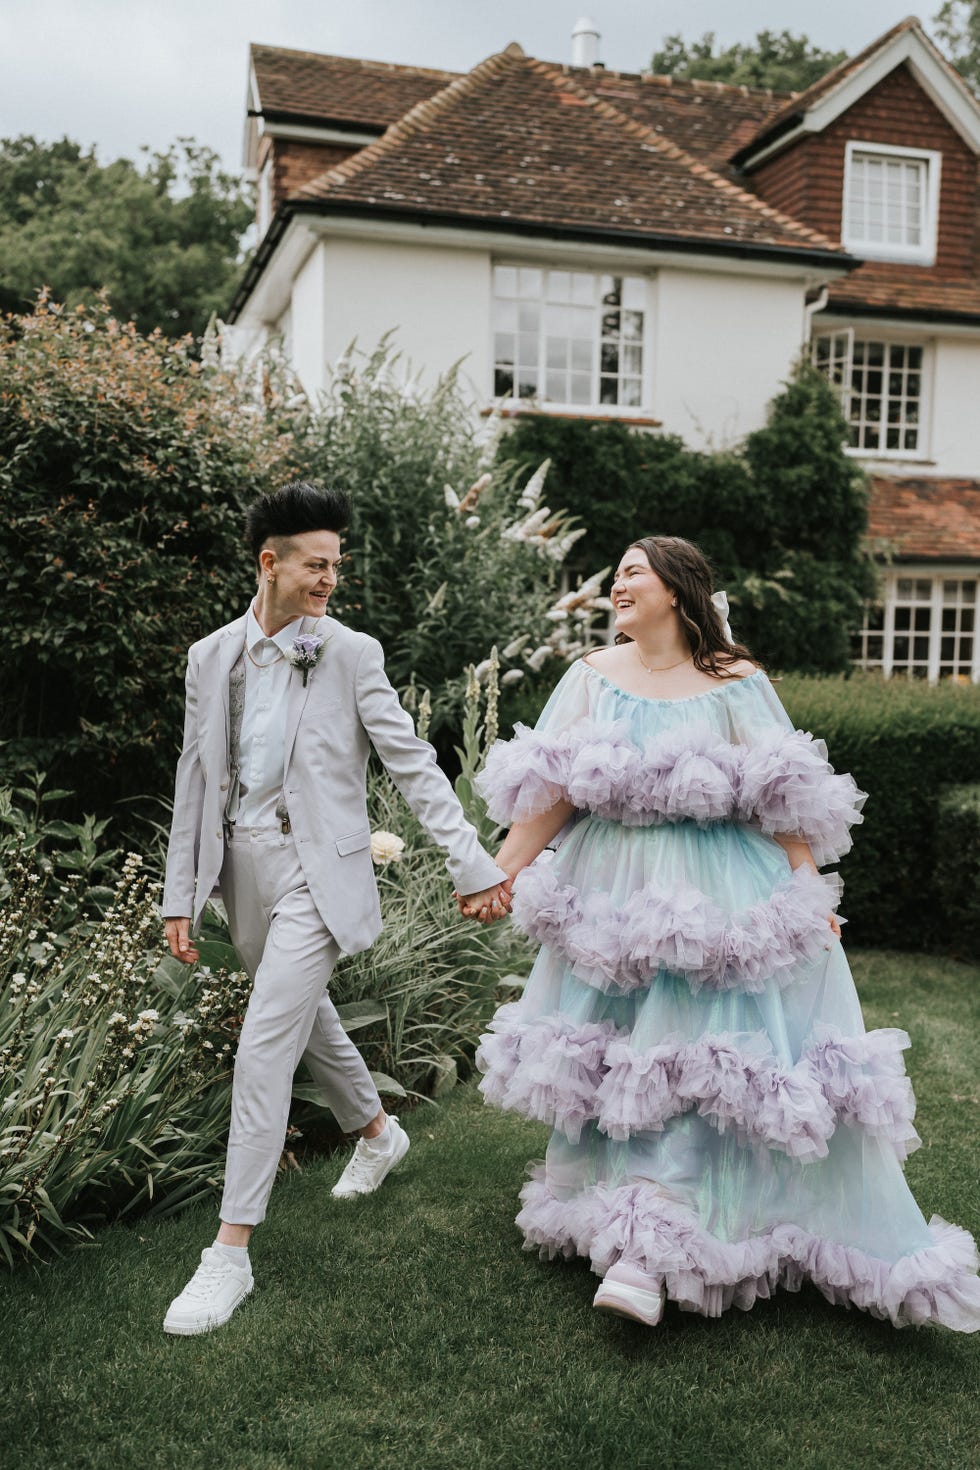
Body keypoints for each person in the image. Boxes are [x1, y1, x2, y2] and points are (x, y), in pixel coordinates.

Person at [471, 535, 980, 1331]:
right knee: (623, 1063)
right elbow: (551, 798)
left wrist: (810, 889)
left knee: (698, 1058)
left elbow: (783, 796)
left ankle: (653, 1249)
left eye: (633, 572)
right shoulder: (590, 679)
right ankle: (622, 1217)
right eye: (615, 576)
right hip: (610, 902)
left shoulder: (735, 682)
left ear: (677, 589)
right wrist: (500, 872)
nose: (617, 585)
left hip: (716, 902)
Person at [161, 481, 512, 1336]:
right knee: (303, 1014)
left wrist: (471, 863)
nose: (329, 579)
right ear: (268, 563)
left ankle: (228, 1255)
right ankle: (377, 1130)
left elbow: (415, 763)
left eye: (336, 566)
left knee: (264, 1043)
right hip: (241, 868)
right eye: (316, 565)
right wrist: (181, 894)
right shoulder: (211, 657)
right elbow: (195, 776)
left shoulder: (351, 652)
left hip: (321, 876)